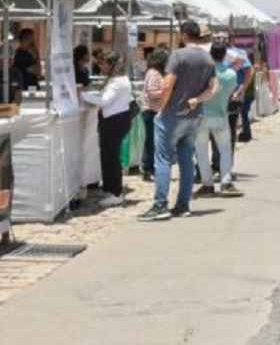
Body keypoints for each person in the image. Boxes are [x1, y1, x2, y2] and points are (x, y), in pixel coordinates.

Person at [140, 21, 217, 222]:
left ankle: (160, 205)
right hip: (194, 115)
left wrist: (161, 109)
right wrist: (197, 100)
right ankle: (183, 204)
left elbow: (167, 85)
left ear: (183, 35)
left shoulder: (178, 55)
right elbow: (212, 89)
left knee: (163, 160)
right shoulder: (208, 59)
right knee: (186, 161)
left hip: (173, 114)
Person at [82, 53, 132, 207]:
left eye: (103, 64)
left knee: (111, 157)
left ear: (111, 65)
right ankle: (110, 189)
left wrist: (83, 95)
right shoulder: (119, 79)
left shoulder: (117, 82)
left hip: (114, 121)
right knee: (108, 156)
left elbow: (104, 101)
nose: (101, 67)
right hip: (117, 119)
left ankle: (115, 192)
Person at [194, 43, 243, 198]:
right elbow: (230, 93)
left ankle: (207, 184)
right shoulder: (231, 74)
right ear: (224, 55)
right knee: (225, 150)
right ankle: (226, 181)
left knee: (201, 151)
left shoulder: (202, 72)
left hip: (201, 115)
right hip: (221, 115)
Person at [139, 48, 168, 182]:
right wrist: (166, 91)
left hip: (155, 111)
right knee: (151, 142)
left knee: (154, 142)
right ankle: (148, 169)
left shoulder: (157, 73)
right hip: (150, 111)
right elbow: (151, 92)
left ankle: (151, 168)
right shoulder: (153, 73)